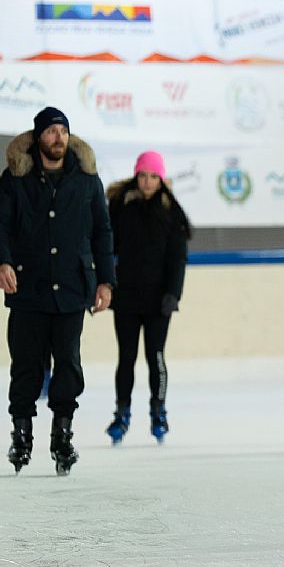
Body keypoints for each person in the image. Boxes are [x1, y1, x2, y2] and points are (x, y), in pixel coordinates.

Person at [0, 106, 115, 475]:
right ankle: (21, 431)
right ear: (38, 136)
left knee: (69, 363)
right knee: (25, 363)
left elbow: (102, 232)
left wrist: (106, 280)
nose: (58, 137)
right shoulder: (15, 179)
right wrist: (2, 263)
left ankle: (63, 432)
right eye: (51, 131)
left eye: (63, 131)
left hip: (73, 287)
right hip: (29, 288)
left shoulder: (87, 180)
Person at [105, 151, 192, 445]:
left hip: (158, 301)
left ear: (161, 179)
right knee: (125, 358)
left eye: (153, 176)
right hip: (127, 297)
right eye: (142, 175)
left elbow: (178, 257)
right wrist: (106, 282)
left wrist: (173, 293)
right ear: (135, 175)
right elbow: (106, 245)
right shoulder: (121, 206)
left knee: (155, 357)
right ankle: (122, 412)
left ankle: (159, 411)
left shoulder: (170, 212)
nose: (147, 181)